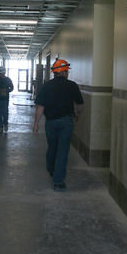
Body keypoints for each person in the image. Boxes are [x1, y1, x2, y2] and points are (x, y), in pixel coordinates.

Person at [33, 59, 83, 191]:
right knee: (63, 150)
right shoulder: (72, 86)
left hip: (50, 123)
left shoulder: (47, 86)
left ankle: (51, 169)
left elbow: (40, 106)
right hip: (67, 122)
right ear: (65, 72)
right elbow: (80, 104)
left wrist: (36, 124)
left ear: (55, 73)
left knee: (52, 147)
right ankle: (58, 182)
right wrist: (77, 115)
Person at [0, 66, 14, 133]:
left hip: (5, 99)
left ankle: (5, 124)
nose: (1, 74)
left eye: (2, 73)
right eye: (0, 73)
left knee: (4, 112)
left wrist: (6, 90)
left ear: (4, 72)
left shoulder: (8, 80)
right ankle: (0, 127)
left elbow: (12, 88)